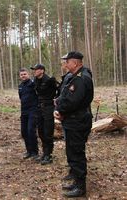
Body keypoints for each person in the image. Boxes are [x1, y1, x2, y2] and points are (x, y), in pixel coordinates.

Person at [54, 51, 93, 197]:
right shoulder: (76, 77)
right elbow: (67, 97)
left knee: (76, 153)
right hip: (73, 120)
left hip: (77, 121)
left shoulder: (81, 79)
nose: (65, 64)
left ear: (75, 63)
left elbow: (72, 101)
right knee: (72, 152)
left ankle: (81, 187)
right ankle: (76, 181)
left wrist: (60, 110)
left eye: (67, 62)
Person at [30, 64, 57, 165]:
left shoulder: (49, 80)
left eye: (36, 70)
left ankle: (48, 155)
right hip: (39, 108)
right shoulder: (36, 80)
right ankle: (44, 153)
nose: (34, 72)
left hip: (48, 107)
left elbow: (57, 92)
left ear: (42, 71)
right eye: (34, 70)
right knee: (40, 131)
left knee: (48, 132)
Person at [18, 68, 38, 159]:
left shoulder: (33, 84)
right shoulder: (20, 86)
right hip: (24, 111)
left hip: (33, 111)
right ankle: (28, 151)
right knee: (24, 132)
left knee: (31, 131)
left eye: (25, 74)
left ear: (28, 74)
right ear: (20, 76)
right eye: (21, 75)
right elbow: (21, 98)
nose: (23, 76)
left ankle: (34, 152)